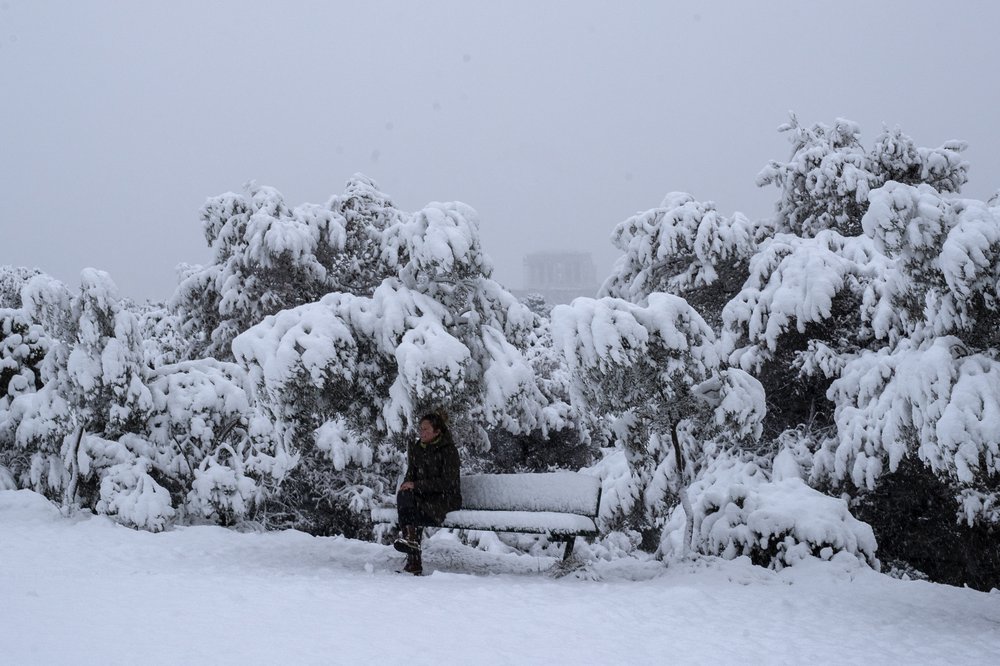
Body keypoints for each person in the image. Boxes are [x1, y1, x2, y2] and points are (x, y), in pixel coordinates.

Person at [393, 412, 462, 575]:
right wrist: (407, 484)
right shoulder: (418, 448)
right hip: (423, 497)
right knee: (405, 497)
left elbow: (447, 483)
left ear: (437, 432)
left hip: (445, 500)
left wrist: (416, 485)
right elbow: (411, 473)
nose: (421, 432)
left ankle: (413, 560)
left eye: (425, 429)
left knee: (411, 510)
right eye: (420, 429)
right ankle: (411, 544)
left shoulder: (448, 451)